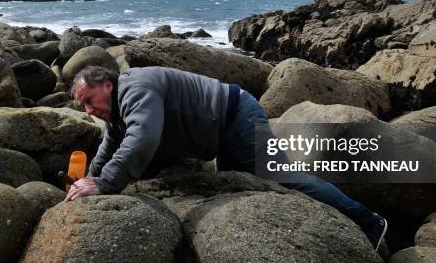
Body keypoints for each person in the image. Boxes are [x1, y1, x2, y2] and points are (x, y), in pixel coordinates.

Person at [65, 65, 388, 250]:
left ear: (107, 84)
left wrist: (104, 184)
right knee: (234, 192)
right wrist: (86, 182)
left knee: (285, 178)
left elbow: (143, 139)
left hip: (237, 117)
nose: (90, 111)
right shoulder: (117, 108)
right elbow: (111, 145)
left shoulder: (136, 88)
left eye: (91, 101)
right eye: (84, 107)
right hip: (218, 133)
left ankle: (369, 223)